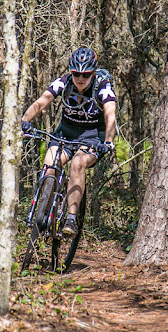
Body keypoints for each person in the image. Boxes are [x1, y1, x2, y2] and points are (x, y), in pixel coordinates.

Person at [21, 47, 117, 237]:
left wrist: (107, 141)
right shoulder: (64, 82)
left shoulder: (102, 86)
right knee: (49, 165)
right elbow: (42, 102)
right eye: (76, 74)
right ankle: (43, 214)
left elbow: (110, 114)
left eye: (86, 74)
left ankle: (71, 219)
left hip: (91, 137)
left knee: (77, 164)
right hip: (65, 134)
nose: (80, 78)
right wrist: (24, 121)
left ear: (93, 73)